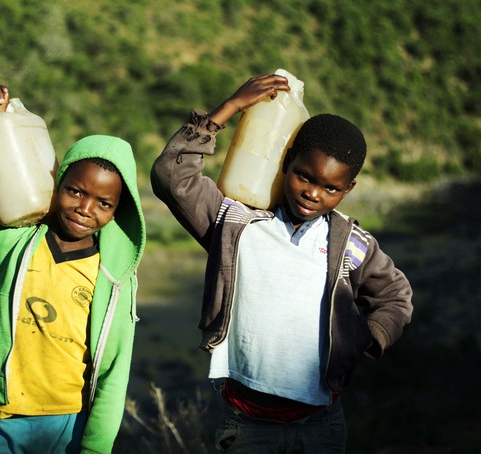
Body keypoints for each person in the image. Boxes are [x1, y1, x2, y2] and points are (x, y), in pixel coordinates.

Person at [150, 74, 413, 452]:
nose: (312, 193)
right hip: (247, 426)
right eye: (304, 176)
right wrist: (228, 109)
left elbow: (395, 295)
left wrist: (368, 338)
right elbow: (171, 176)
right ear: (285, 163)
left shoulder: (350, 245)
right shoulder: (235, 223)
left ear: (348, 189)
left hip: (320, 426)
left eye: (331, 188)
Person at [0, 85, 146, 453]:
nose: (86, 208)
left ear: (118, 211)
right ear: (56, 184)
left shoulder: (113, 277)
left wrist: (96, 448)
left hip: (70, 423)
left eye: (103, 202)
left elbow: (113, 373)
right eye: (75, 191)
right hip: (9, 418)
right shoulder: (10, 238)